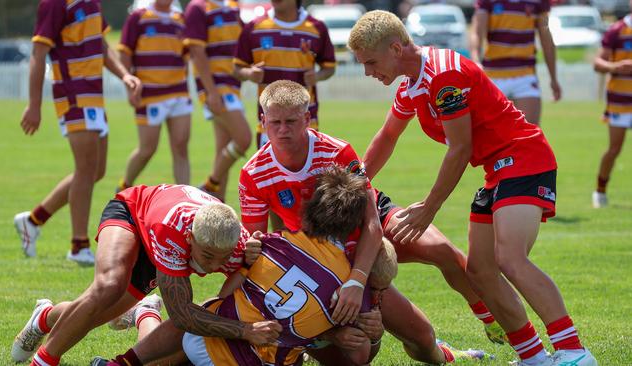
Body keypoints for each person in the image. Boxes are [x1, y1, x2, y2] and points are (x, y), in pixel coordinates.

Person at [349, 10, 597, 366]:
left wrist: (429, 207)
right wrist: (356, 183)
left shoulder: (443, 74)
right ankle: (534, 357)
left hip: (523, 158)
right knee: (479, 272)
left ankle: (574, 351)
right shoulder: (411, 84)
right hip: (495, 171)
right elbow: (387, 136)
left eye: (371, 62)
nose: (368, 72)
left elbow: (460, 147)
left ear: (396, 47)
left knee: (509, 258)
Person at [239, 80, 491, 363]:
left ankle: (451, 351)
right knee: (358, 352)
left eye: (291, 121)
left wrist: (357, 282)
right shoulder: (253, 173)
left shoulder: (336, 152)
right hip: (313, 265)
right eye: (275, 122)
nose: (283, 130)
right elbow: (260, 253)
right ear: (262, 121)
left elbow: (371, 222)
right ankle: (314, 339)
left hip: (355, 245)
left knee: (422, 337)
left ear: (307, 118)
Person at [91, 166, 393, 366]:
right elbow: (361, 355)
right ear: (352, 227)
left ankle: (136, 334)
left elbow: (228, 293)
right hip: (246, 352)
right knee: (198, 320)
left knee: (206, 314)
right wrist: (353, 333)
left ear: (309, 214)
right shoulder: (351, 288)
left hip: (204, 341)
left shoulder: (272, 244)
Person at [10, 184, 281, 366]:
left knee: (99, 316)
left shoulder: (237, 247)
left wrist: (245, 265)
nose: (213, 266)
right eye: (208, 256)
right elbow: (183, 315)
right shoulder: (173, 232)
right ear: (191, 238)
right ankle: (43, 360)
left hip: (165, 238)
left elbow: (220, 303)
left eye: (223, 258)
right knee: (109, 287)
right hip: (134, 212)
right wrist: (245, 331)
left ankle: (47, 316)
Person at [13, 0, 142, 265]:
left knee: (95, 170)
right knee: (85, 168)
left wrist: (124, 75)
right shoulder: (54, 3)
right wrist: (34, 105)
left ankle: (33, 220)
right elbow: (38, 53)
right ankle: (78, 244)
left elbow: (102, 47)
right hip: (73, 95)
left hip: (94, 96)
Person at [234, 0, 336, 149]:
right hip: (270, 122)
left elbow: (329, 67)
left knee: (307, 172)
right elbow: (236, 68)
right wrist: (249, 73)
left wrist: (318, 76)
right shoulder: (254, 28)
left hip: (305, 121)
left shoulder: (316, 28)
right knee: (271, 173)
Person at [116, 0, 193, 191]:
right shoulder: (138, 17)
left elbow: (186, 57)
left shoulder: (181, 20)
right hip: (148, 95)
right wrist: (129, 88)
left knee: (181, 148)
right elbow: (124, 53)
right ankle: (123, 187)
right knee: (147, 149)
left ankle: (185, 200)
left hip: (178, 93)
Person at [184, 0, 252, 202]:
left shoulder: (232, 5)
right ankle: (209, 184)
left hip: (232, 85)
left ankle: (217, 209)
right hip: (216, 87)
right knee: (243, 138)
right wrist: (211, 92)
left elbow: (244, 40)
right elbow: (197, 53)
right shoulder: (198, 7)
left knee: (223, 150)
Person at [470, 0, 560, 125]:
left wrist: (554, 79)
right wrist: (476, 61)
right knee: (494, 136)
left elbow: (546, 39)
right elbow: (477, 32)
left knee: (530, 135)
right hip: (493, 77)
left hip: (525, 76)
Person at [592, 8, 632, 208]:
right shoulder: (617, 30)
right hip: (620, 101)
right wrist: (615, 67)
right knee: (615, 149)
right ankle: (600, 191)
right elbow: (598, 63)